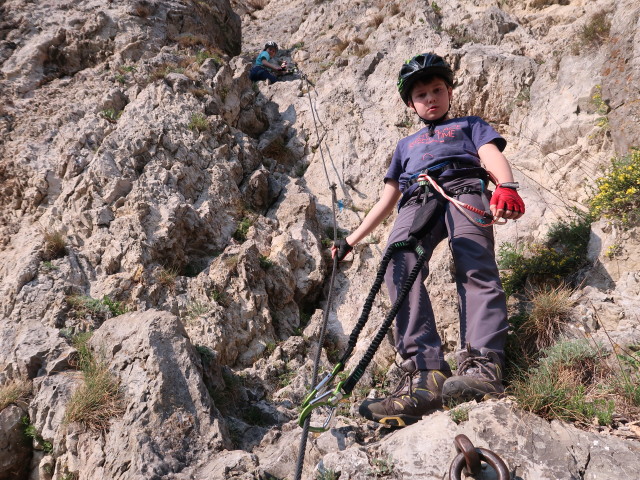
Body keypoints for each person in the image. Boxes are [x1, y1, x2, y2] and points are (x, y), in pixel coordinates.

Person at [332, 53, 525, 427]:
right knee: (396, 264)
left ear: (450, 92)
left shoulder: (470, 125)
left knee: (473, 260)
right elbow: (386, 200)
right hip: (417, 199)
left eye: (438, 90)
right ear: (411, 104)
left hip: (465, 186)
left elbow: (490, 154)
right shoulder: (405, 146)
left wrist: (507, 186)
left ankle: (483, 366)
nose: (431, 98)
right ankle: (425, 375)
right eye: (422, 94)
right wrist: (351, 241)